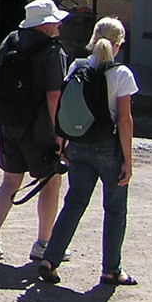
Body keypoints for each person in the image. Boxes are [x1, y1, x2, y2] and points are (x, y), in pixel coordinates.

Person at [38, 17, 139, 286]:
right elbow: (124, 120)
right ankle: (111, 270)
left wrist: (61, 144)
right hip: (108, 147)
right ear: (118, 44)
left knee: (74, 203)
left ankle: (50, 259)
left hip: (79, 144)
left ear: (93, 39)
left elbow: (66, 107)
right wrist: (128, 160)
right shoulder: (122, 75)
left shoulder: (77, 66)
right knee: (115, 209)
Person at [0, 0, 68, 263]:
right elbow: (54, 95)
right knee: (50, 182)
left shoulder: (11, 40)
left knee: (9, 181)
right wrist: (60, 136)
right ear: (46, 25)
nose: (59, 25)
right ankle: (44, 244)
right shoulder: (53, 51)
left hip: (9, 124)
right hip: (40, 129)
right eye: (55, 21)